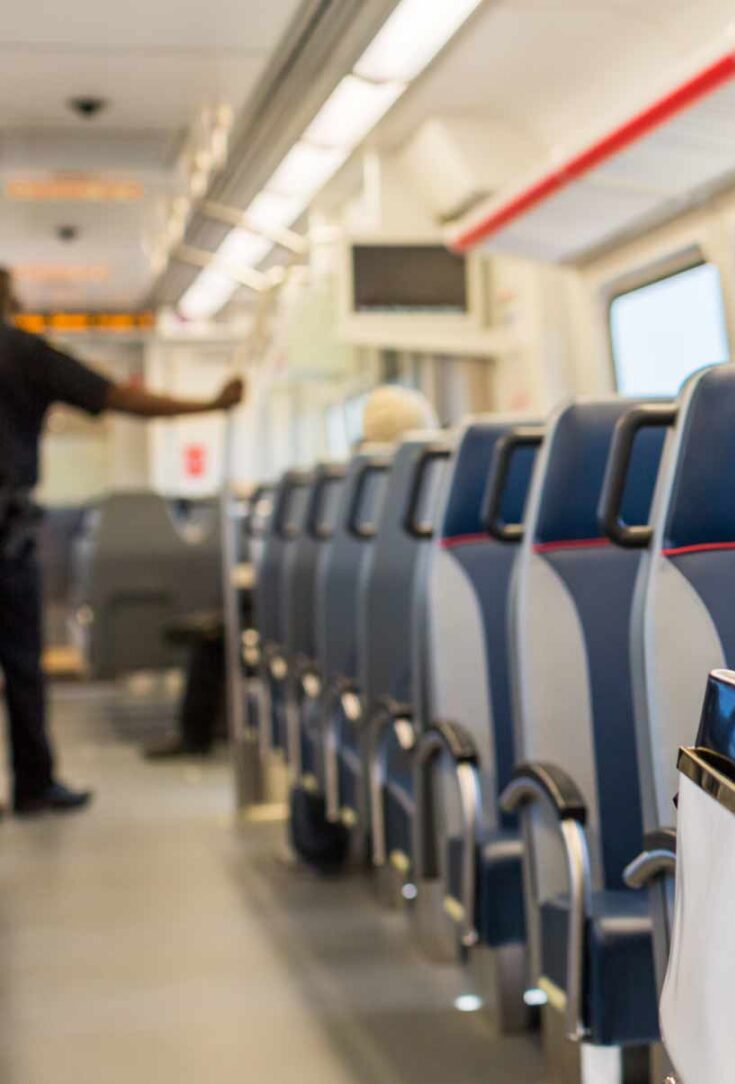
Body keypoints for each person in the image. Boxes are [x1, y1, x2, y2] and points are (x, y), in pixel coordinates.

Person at [0, 267, 243, 813]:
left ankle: (37, 781)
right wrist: (210, 406)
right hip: (7, 536)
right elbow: (121, 400)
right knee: (20, 664)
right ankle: (34, 784)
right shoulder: (22, 352)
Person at [142, 383, 438, 759]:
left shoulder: (347, 486)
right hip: (412, 648)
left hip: (336, 629)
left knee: (225, 630)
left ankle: (198, 735)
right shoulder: (437, 479)